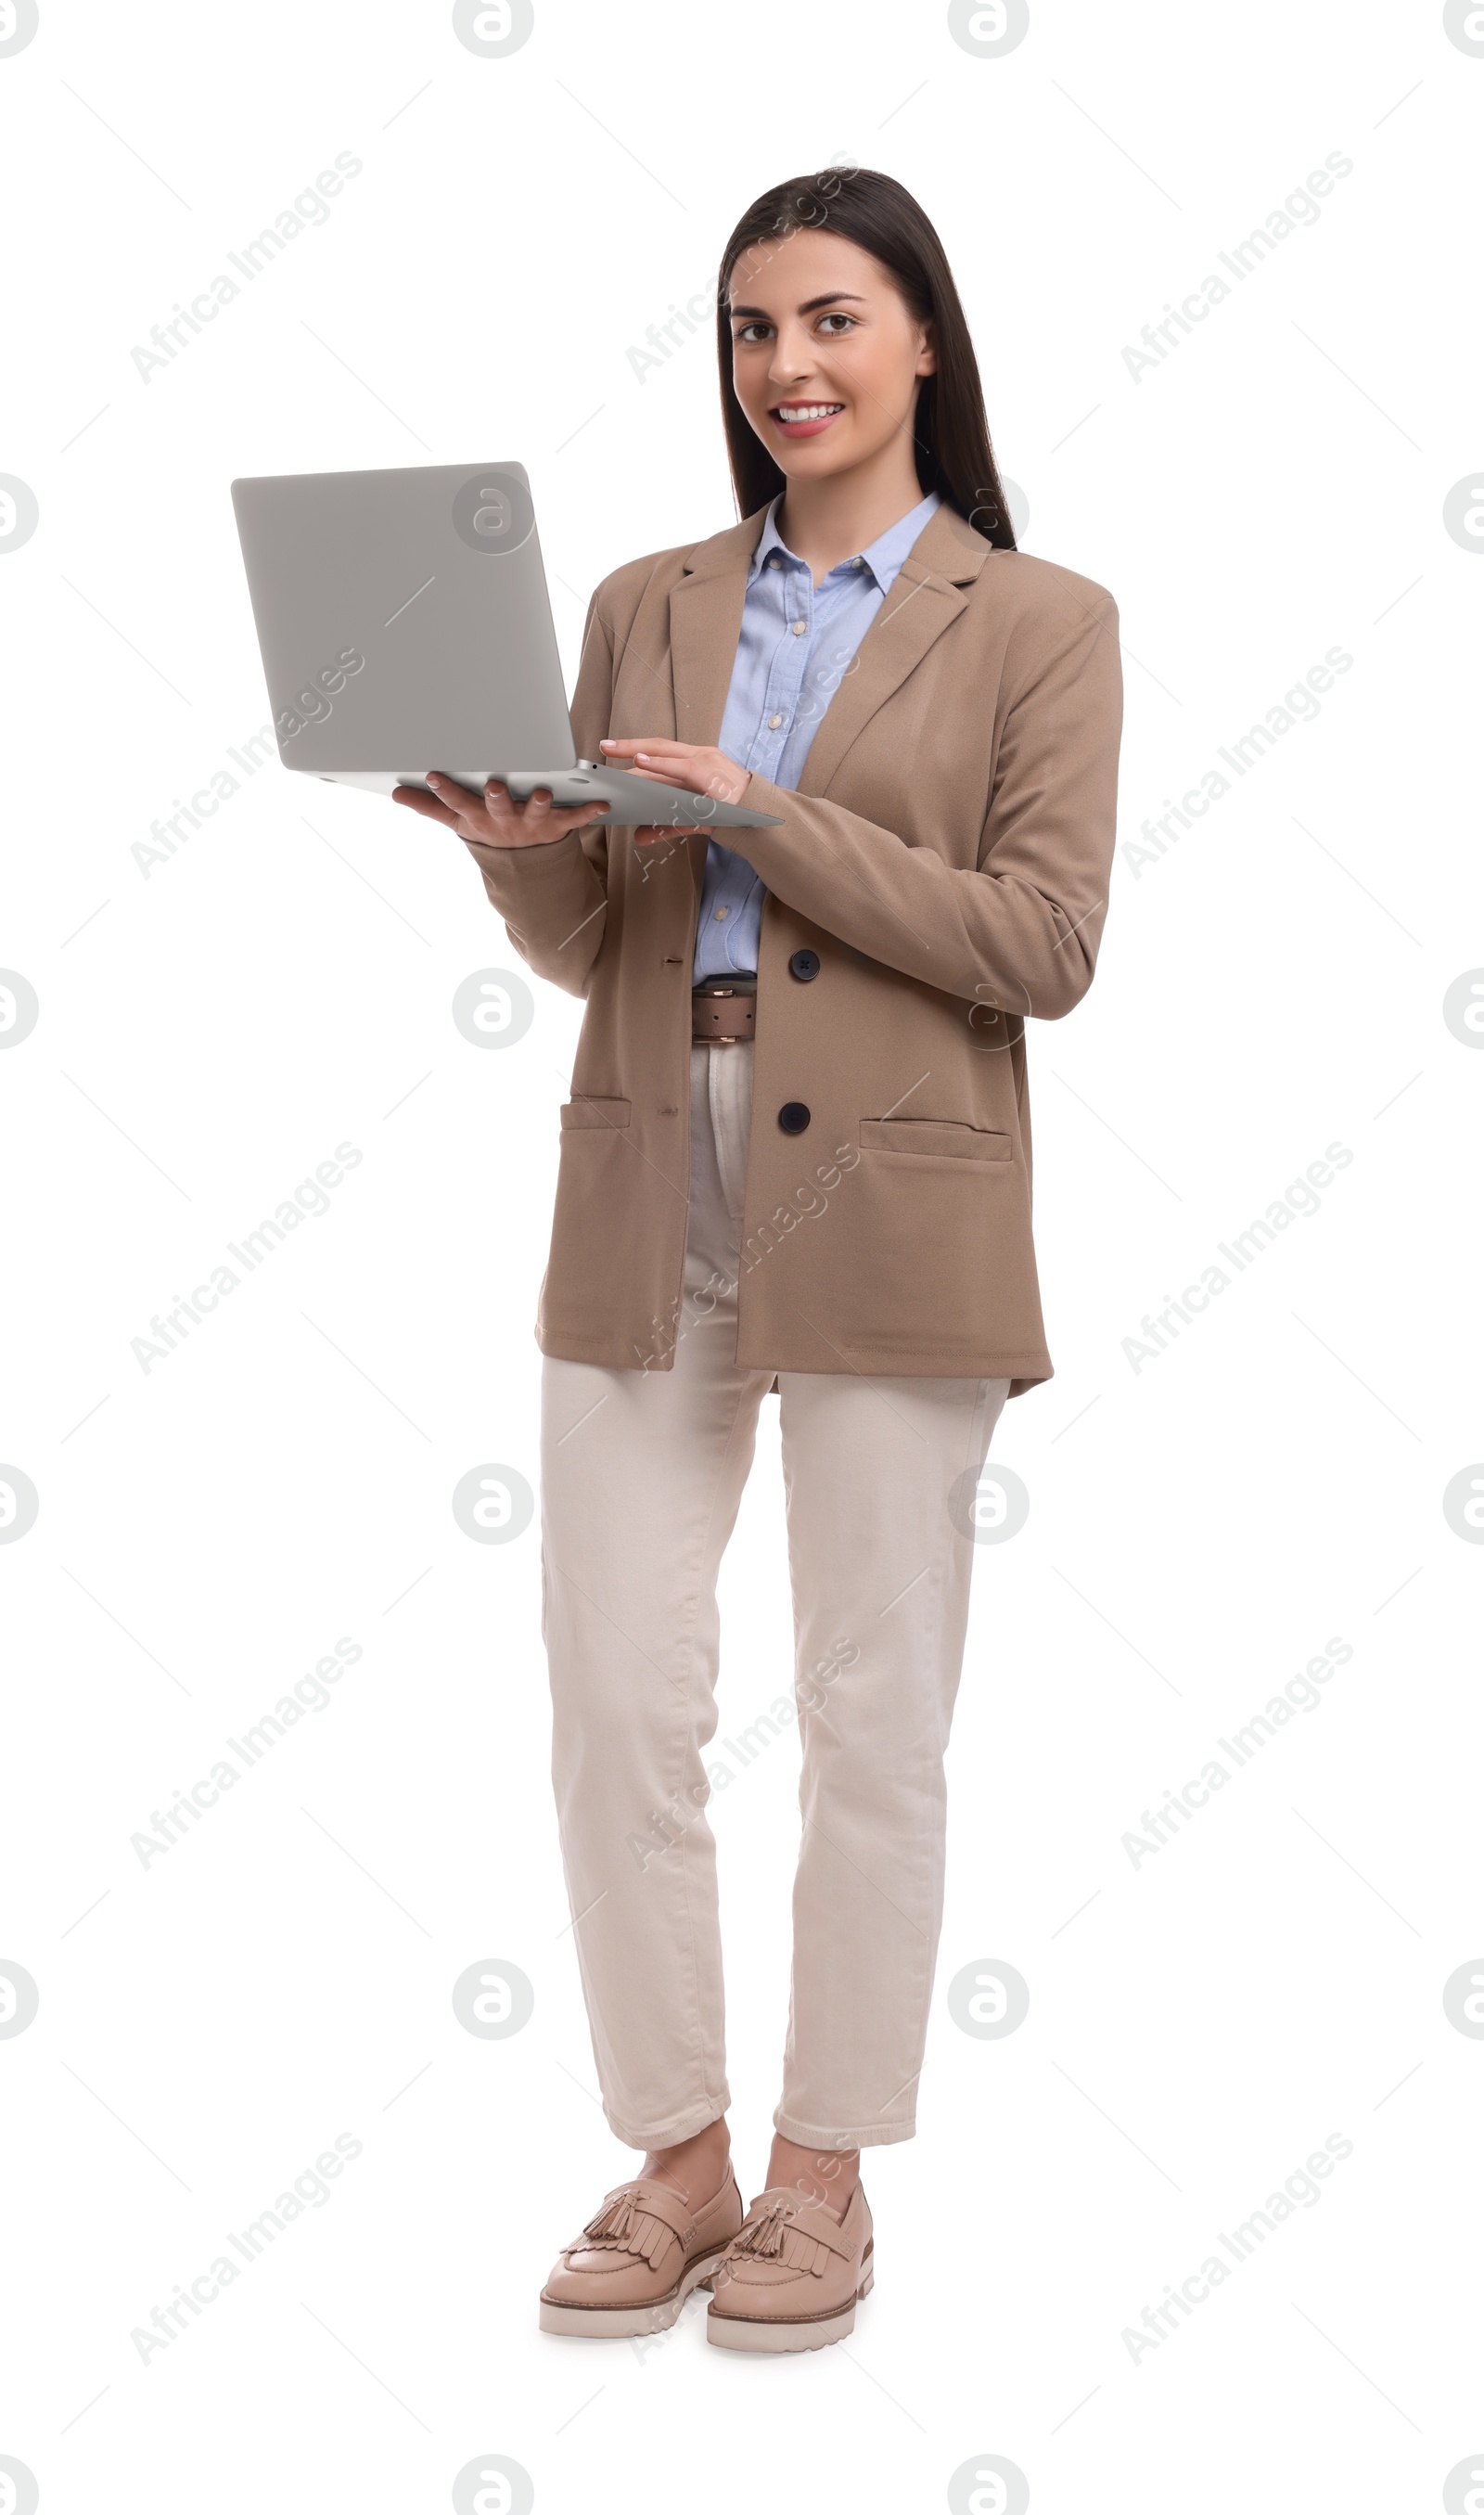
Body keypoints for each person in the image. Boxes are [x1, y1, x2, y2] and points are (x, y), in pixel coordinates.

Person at [393, 165, 1122, 2354]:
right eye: (744, 329)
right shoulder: (641, 597)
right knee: (612, 1690)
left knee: (867, 1712)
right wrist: (527, 863)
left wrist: (764, 816)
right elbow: (601, 935)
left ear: (918, 340)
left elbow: (1045, 945)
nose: (782, 367)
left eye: (825, 320)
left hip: (892, 1181)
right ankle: (679, 2157)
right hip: (650, 1164)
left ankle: (821, 2180)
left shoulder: (1036, 617)